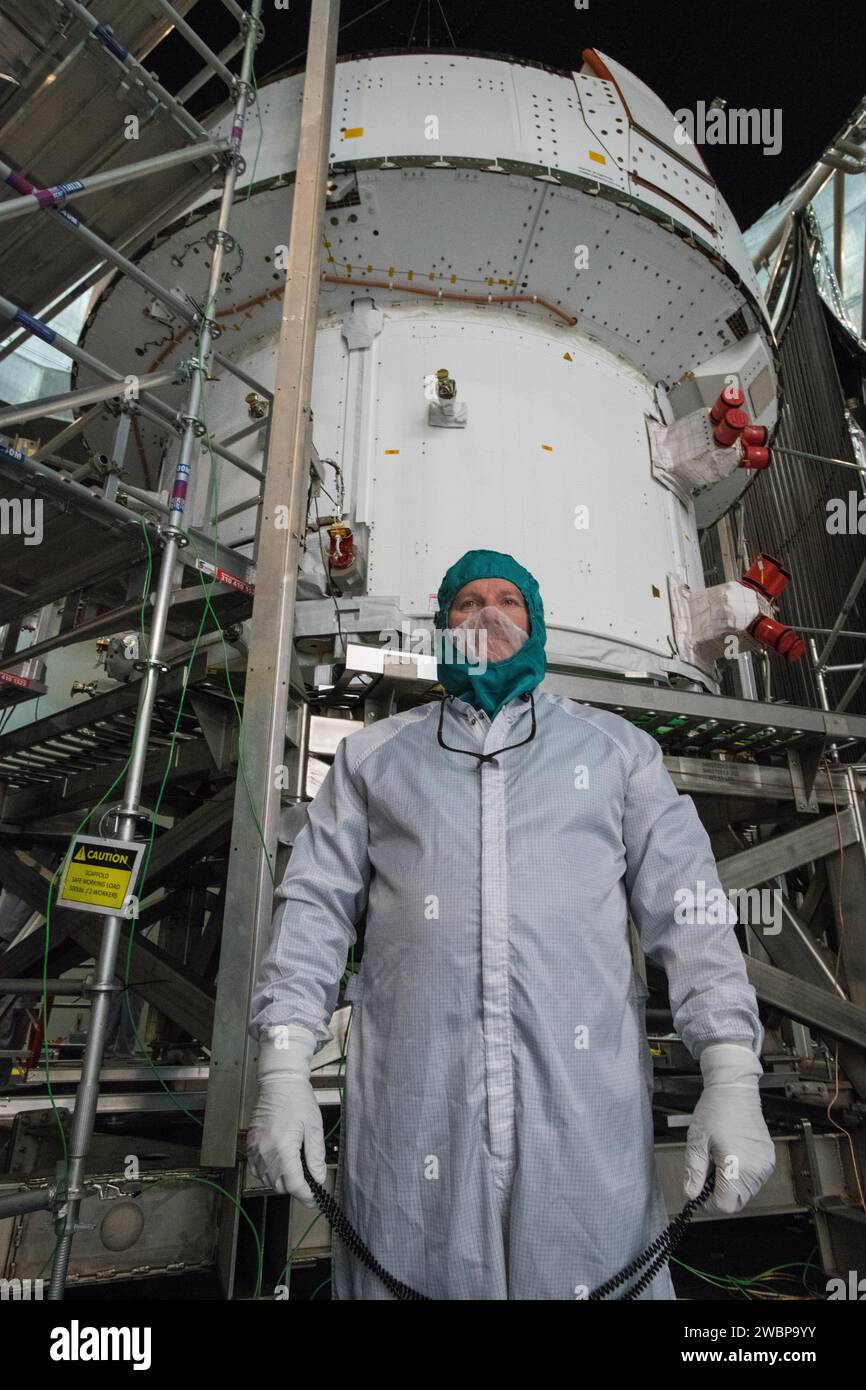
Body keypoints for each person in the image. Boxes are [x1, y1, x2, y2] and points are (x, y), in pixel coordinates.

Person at [246, 548, 775, 1300]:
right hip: (417, 1112)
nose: (487, 614)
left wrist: (731, 1073)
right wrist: (282, 1068)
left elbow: (690, 913)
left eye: (507, 601)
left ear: (536, 625)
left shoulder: (615, 752)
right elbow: (312, 912)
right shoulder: (374, 761)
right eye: (465, 604)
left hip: (582, 1109)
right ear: (441, 628)